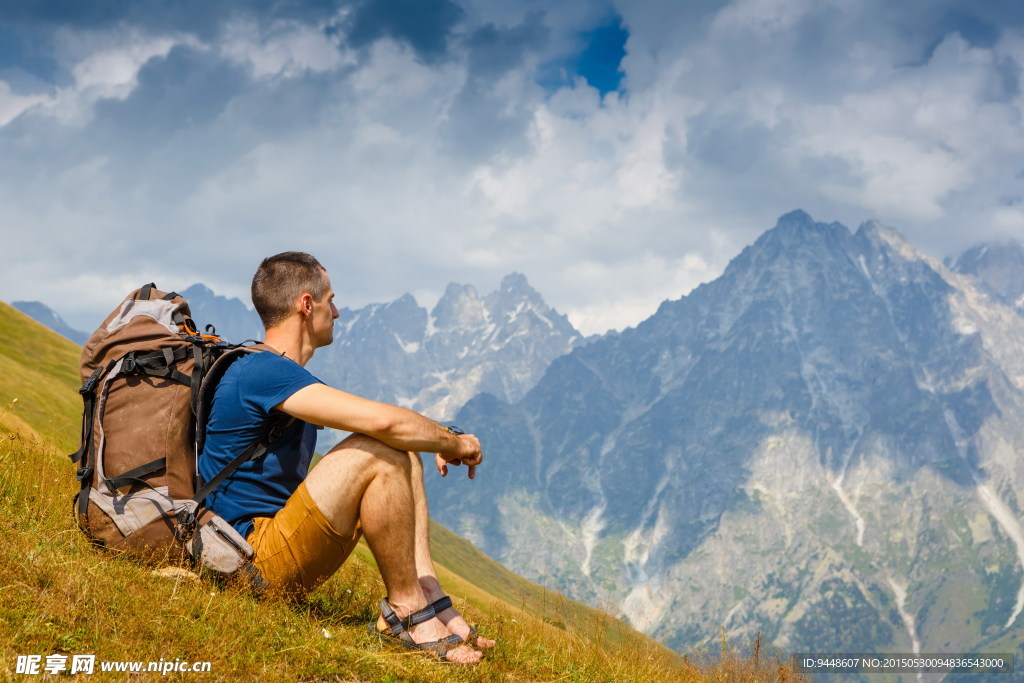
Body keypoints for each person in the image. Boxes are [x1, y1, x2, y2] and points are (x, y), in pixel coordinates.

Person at [198, 251, 494, 665]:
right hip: (247, 561)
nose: (336, 312)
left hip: (261, 552)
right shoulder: (264, 371)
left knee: (401, 448)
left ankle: (431, 598)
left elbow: (390, 429)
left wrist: (433, 439)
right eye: (330, 300)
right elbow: (383, 423)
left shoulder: (274, 373)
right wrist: (455, 444)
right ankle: (406, 613)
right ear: (306, 304)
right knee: (379, 450)